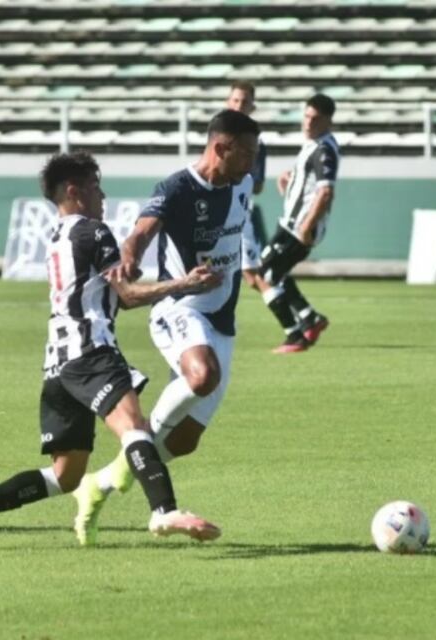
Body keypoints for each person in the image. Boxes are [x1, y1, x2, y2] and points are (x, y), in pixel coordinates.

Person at [0, 151, 224, 549]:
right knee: (134, 428)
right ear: (74, 191)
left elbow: (109, 290)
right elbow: (126, 296)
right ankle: (164, 512)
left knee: (67, 476)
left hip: (57, 364)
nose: (102, 195)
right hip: (91, 351)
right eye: (95, 186)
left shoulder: (57, 236)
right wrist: (185, 284)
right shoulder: (94, 231)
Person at [72, 109, 259, 546]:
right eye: (246, 154)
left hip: (222, 320)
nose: (253, 163)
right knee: (202, 376)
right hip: (178, 306)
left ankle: (100, 483)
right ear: (220, 148)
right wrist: (132, 255)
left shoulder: (244, 182)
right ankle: (139, 446)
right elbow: (141, 231)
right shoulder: (176, 188)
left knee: (186, 440)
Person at [257, 93, 341, 354]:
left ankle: (296, 335)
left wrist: (306, 226)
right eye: (306, 116)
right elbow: (309, 185)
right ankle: (309, 318)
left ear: (327, 120)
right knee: (271, 273)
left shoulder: (324, 149)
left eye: (314, 118)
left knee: (268, 275)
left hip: (299, 228)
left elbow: (325, 192)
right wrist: (290, 180)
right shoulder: (313, 144)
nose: (308, 123)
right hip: (290, 224)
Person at [226, 80, 270, 293]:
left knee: (251, 273)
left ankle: (297, 316)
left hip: (238, 214)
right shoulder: (216, 135)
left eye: (244, 102)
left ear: (252, 106)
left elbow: (258, 186)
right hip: (213, 213)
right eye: (235, 100)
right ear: (228, 102)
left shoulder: (256, 143)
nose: (239, 106)